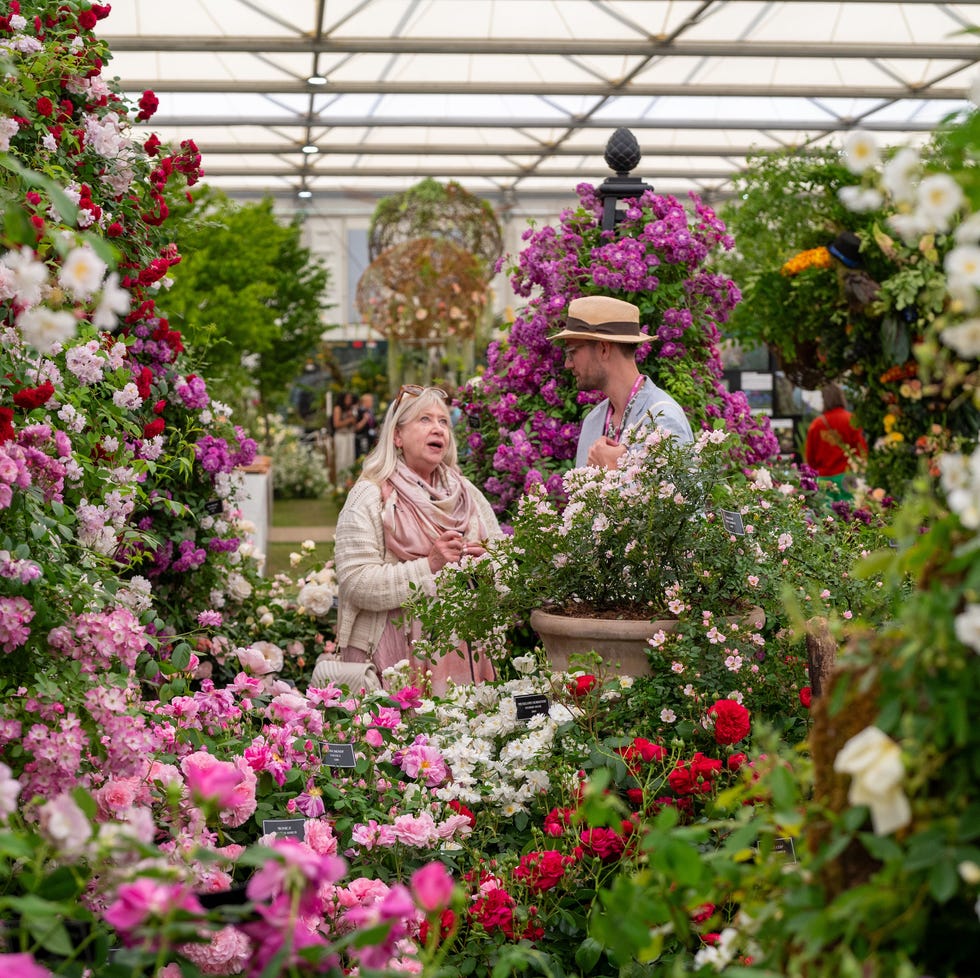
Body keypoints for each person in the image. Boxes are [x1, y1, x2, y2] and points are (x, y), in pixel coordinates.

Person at [333, 385, 502, 694]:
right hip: (391, 661)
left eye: (443, 422)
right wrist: (430, 566)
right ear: (397, 436)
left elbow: (506, 568)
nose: (437, 428)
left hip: (463, 662)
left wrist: (488, 569)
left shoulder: (467, 495)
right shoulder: (370, 495)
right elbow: (355, 582)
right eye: (424, 419)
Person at [550, 295, 694, 469]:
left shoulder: (664, 419)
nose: (568, 364)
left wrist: (615, 472)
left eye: (572, 352)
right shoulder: (593, 421)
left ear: (603, 349)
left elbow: (686, 496)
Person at [804, 382, 868, 486]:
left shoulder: (816, 425)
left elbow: (810, 456)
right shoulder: (851, 420)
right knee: (850, 502)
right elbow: (861, 448)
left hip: (824, 478)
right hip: (847, 476)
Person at [332, 391, 357, 476]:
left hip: (349, 435)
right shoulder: (338, 408)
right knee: (341, 459)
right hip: (341, 436)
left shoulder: (351, 409)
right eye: (348, 398)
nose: (349, 400)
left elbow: (354, 424)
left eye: (350, 398)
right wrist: (349, 420)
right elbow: (336, 424)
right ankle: (340, 482)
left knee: (350, 459)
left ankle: (349, 480)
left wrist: (352, 418)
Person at [353, 392, 378, 458]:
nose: (372, 402)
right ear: (365, 402)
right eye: (371, 401)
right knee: (363, 456)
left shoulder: (370, 411)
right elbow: (356, 427)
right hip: (362, 438)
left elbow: (374, 424)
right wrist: (365, 419)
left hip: (371, 438)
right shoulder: (359, 411)